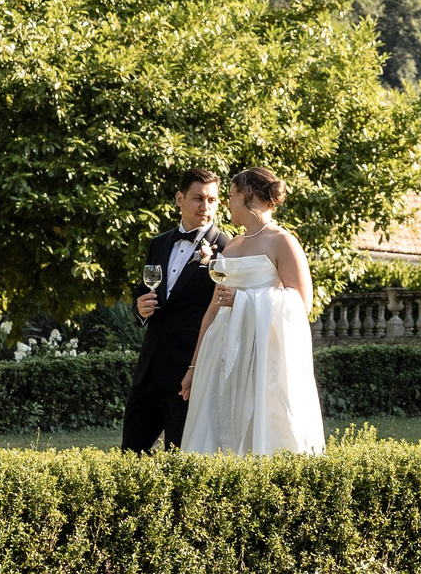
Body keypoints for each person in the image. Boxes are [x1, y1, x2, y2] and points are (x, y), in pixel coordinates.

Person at [177, 166, 325, 457]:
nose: (227, 203)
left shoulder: (282, 241)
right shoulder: (231, 246)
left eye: (231, 195)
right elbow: (213, 310)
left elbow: (300, 303)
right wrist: (194, 367)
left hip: (262, 355)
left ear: (246, 196)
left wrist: (245, 300)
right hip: (220, 353)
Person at [120, 167, 228, 452]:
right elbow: (145, 291)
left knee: (179, 460)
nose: (205, 207)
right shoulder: (159, 244)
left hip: (189, 374)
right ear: (179, 198)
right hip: (149, 370)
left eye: (212, 200)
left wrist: (196, 369)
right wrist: (140, 309)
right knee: (130, 453)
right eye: (197, 198)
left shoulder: (226, 248)